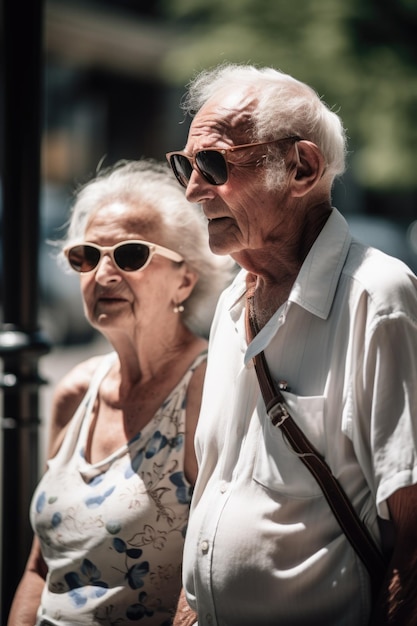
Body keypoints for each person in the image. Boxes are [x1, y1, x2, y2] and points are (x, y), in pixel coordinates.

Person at [165, 64, 417, 626]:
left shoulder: (377, 298)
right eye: (184, 164)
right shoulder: (233, 303)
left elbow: (414, 542)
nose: (191, 189)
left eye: (213, 163)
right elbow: (216, 498)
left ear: (302, 167)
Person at [7, 159, 234, 626]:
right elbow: (41, 566)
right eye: (86, 256)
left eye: (130, 255)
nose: (103, 274)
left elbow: (213, 579)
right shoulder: (77, 391)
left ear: (185, 278)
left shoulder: (206, 389)